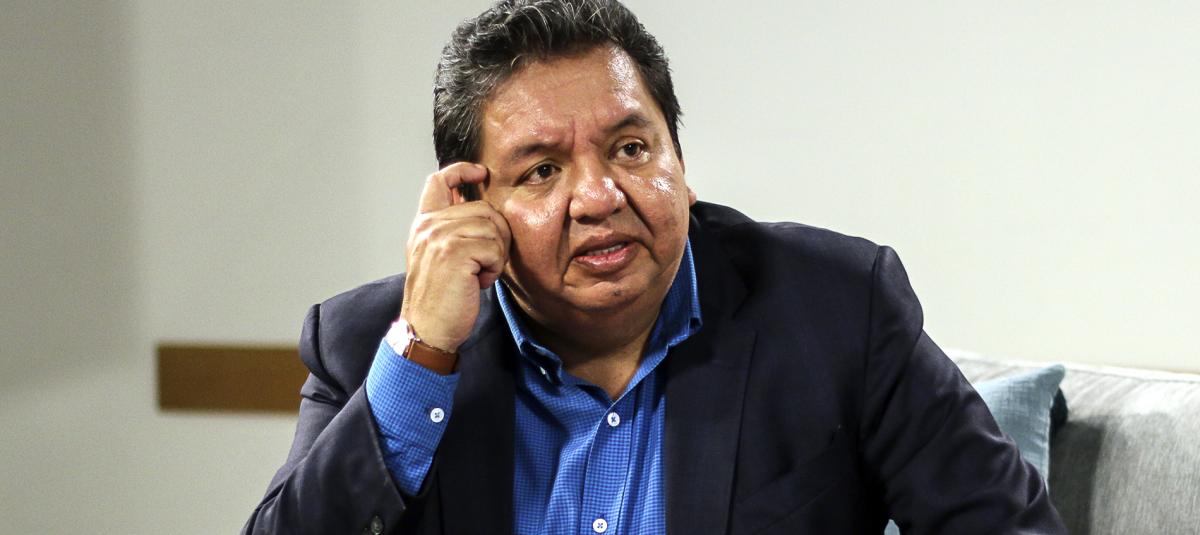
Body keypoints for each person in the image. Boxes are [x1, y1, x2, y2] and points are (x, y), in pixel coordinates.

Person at [244, 1, 1066, 533]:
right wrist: (424, 350)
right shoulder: (370, 345)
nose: (601, 195)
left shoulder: (837, 308)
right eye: (542, 170)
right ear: (470, 207)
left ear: (681, 162)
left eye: (632, 148)